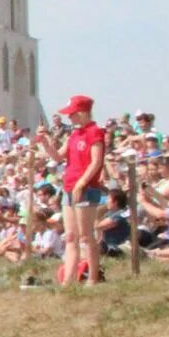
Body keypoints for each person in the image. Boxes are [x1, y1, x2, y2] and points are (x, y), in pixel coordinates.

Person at [54, 95, 108, 287]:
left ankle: (92, 277)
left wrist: (82, 182)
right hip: (69, 186)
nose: (70, 118)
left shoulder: (95, 133)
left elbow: (96, 161)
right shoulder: (73, 134)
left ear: (83, 112)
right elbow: (57, 155)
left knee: (85, 235)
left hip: (86, 188)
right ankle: (68, 280)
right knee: (70, 236)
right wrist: (44, 141)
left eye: (73, 114)